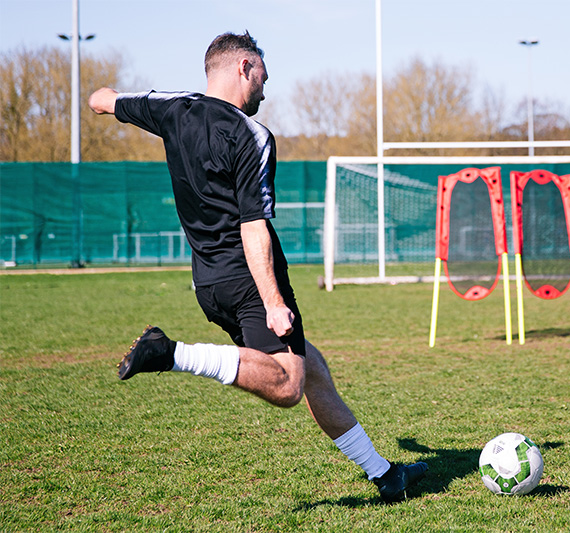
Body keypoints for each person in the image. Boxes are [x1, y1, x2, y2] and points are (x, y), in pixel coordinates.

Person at [88, 31, 427, 503]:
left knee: (311, 369)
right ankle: (171, 353)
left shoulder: (171, 109)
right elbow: (253, 226)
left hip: (208, 282)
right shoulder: (253, 136)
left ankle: (385, 474)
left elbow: (100, 99)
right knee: (289, 384)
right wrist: (273, 302)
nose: (266, 90)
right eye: (263, 78)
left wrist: (111, 102)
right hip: (250, 279)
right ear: (244, 66)